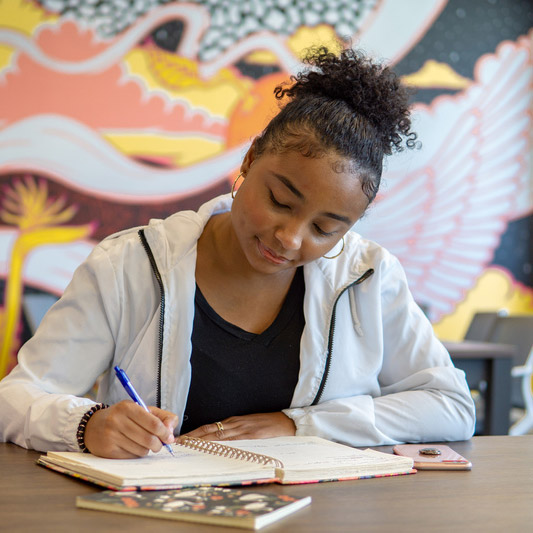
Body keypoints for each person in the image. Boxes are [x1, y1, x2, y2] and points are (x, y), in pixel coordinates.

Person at [0, 47, 475, 458]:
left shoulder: (369, 276)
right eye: (280, 201)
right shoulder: (129, 265)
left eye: (326, 229)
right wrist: (86, 425)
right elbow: (15, 400)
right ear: (249, 160)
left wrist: (297, 424)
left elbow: (451, 406)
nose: (290, 238)